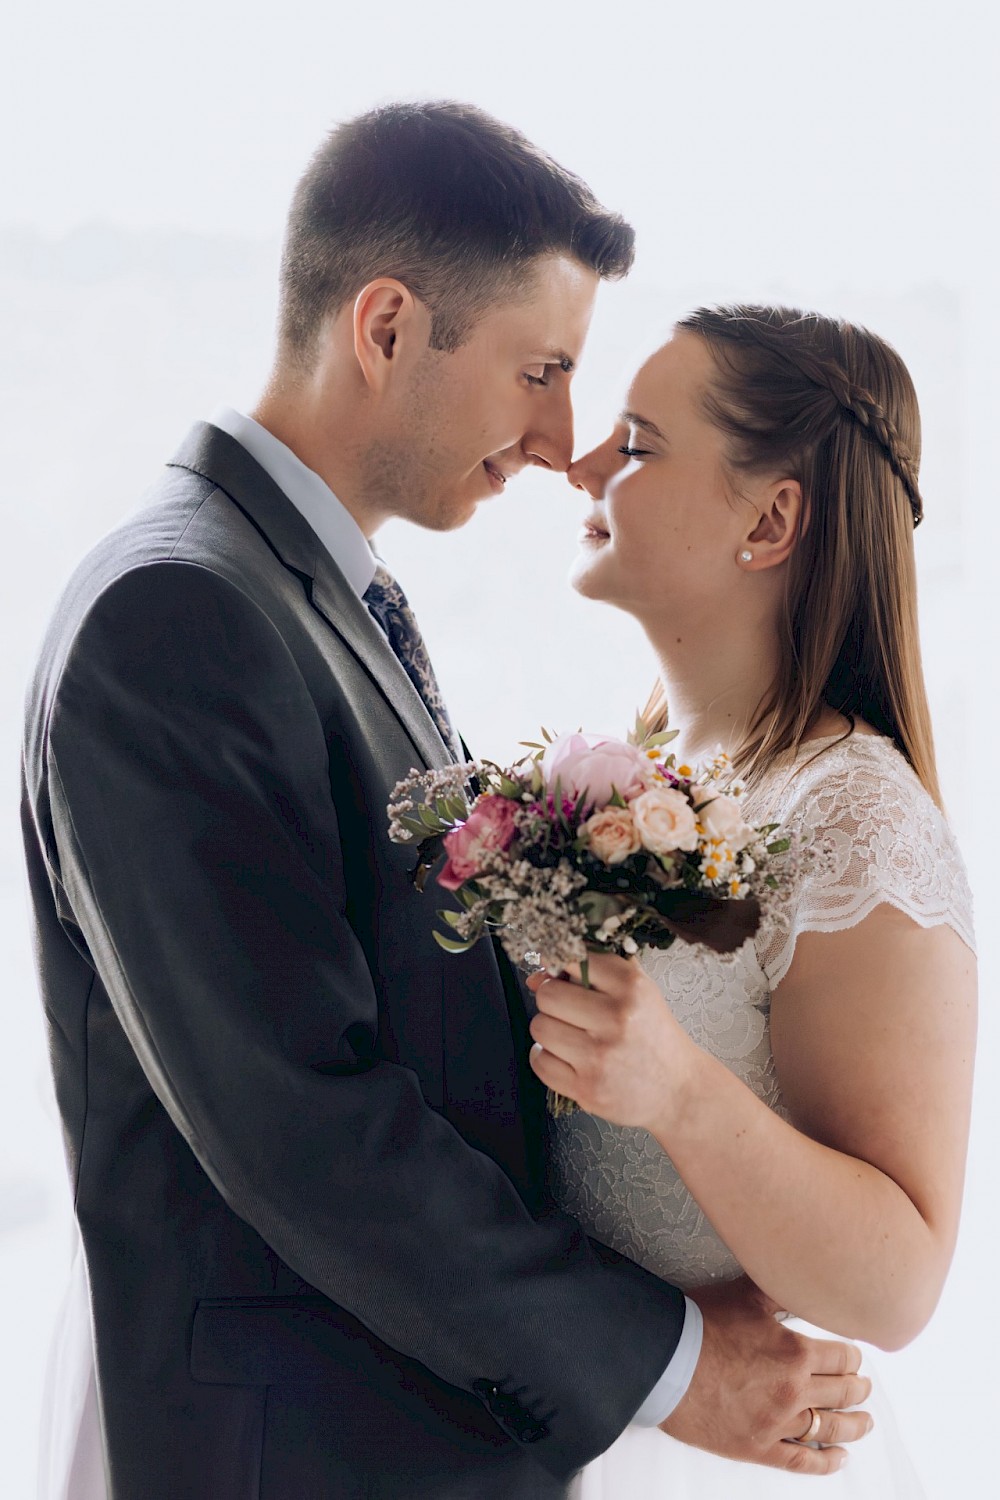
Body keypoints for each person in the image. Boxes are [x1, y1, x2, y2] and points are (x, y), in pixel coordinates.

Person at [20, 106, 871, 1499]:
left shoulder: (296, 595)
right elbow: (310, 1127)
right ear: (388, 326)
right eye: (540, 371)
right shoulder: (177, 616)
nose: (557, 439)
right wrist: (663, 1363)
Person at [527, 304, 978, 1495]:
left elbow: (898, 1284)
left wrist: (678, 1088)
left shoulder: (856, 819)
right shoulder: (653, 777)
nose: (578, 464)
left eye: (633, 443)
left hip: (722, 1460)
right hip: (588, 1413)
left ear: (770, 519)